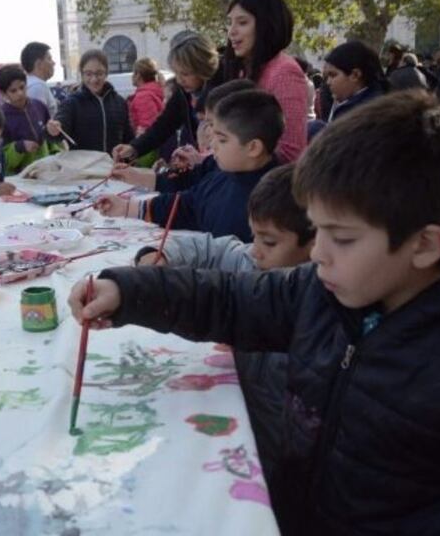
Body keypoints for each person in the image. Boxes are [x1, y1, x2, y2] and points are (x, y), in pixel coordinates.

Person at [68, 90, 440, 535]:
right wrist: (128, 290)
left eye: (342, 238)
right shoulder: (321, 291)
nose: (318, 254)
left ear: (424, 245)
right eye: (317, 231)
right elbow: (229, 299)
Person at [133, 164, 313, 489]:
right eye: (253, 235)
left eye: (269, 242)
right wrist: (158, 255)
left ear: (315, 242)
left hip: (281, 454)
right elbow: (212, 248)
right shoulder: (250, 259)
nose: (255, 249)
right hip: (236, 420)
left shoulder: (314, 304)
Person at [94, 89, 281, 242]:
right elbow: (187, 204)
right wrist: (126, 207)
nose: (212, 144)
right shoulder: (223, 175)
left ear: (253, 147)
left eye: (222, 140)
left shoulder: (270, 202)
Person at [221, 0, 308, 162]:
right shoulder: (244, 70)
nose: (231, 31)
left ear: (266, 26)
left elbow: (290, 152)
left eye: (242, 22)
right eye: (230, 23)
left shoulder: (285, 72)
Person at [112, 34, 219, 165]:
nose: (179, 80)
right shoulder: (183, 92)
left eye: (185, 74)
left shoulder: (221, 93)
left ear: (202, 69)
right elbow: (164, 124)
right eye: (177, 73)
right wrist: (134, 148)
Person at [55, 49, 134, 153]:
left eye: (99, 73)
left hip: (113, 166)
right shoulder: (72, 103)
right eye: (88, 74)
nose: (94, 79)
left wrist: (131, 152)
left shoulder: (119, 102)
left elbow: (127, 137)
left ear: (106, 73)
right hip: (83, 167)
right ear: (82, 74)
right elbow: (58, 132)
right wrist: (53, 129)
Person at [0, 64, 63, 174]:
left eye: (22, 87)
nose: (20, 93)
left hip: (46, 172)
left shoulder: (39, 106)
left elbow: (52, 140)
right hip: (20, 178)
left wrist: (56, 153)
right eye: (13, 91)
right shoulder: (0, 117)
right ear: (3, 94)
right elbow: (1, 158)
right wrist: (20, 147)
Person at [127, 57, 165, 136]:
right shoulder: (154, 91)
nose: (132, 76)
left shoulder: (143, 97)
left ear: (138, 75)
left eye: (134, 73)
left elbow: (147, 127)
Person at [21, 41, 58, 115]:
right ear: (39, 64)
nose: (53, 63)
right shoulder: (37, 86)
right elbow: (38, 121)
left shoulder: (29, 83)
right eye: (49, 59)